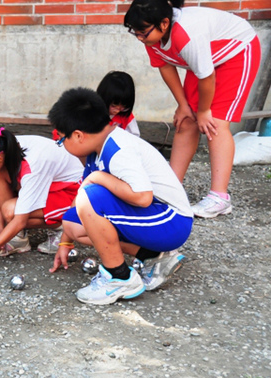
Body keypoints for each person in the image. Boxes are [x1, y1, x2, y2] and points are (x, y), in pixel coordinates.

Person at [48, 87, 194, 305]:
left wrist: (98, 177)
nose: (62, 145)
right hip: (154, 217)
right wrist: (64, 243)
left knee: (89, 197)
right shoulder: (96, 149)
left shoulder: (118, 150)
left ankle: (119, 277)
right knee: (72, 223)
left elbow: (143, 197)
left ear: (78, 135)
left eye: (61, 139)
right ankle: (153, 258)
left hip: (171, 222)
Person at [124, 0, 261, 218]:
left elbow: (206, 76)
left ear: (164, 24)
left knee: (214, 122)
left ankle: (219, 198)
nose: (139, 37)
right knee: (186, 120)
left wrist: (204, 111)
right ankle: (169, 187)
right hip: (207, 60)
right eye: (135, 32)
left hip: (236, 52)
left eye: (142, 32)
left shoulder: (186, 35)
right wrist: (183, 105)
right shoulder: (152, 36)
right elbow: (165, 67)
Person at [0, 126, 84, 272]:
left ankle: (62, 228)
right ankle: (18, 239)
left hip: (71, 193)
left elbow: (20, 220)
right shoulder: (4, 147)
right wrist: (1, 232)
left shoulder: (34, 164)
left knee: (12, 211)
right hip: (50, 185)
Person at [97, 71, 140, 137]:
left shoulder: (127, 117)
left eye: (124, 107)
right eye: (114, 106)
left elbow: (135, 136)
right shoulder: (94, 115)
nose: (117, 110)